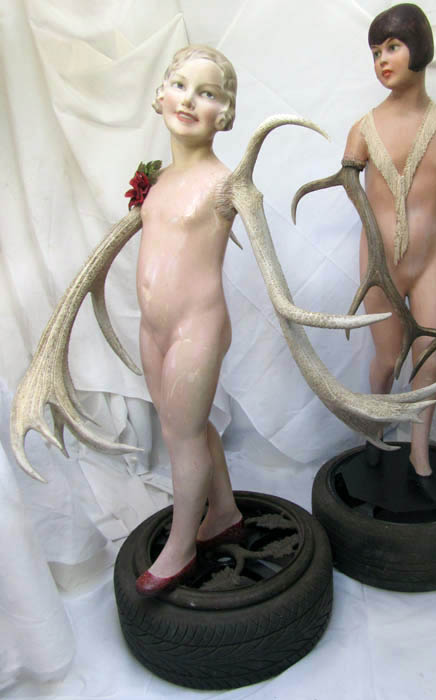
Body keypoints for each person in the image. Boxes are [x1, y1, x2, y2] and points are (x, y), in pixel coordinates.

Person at [342, 4, 436, 503]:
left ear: (420, 47)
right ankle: (375, 429)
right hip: (381, 263)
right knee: (387, 358)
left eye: (393, 47)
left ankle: (419, 452)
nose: (383, 61)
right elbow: (350, 185)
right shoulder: (363, 129)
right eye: (376, 52)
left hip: (432, 259)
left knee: (430, 357)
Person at [134, 45, 243, 595]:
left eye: (207, 93)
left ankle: (180, 549)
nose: (189, 100)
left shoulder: (224, 183)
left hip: (195, 328)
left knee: (181, 436)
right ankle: (223, 511)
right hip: (152, 328)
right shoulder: (155, 179)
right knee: (184, 427)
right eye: (180, 85)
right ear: (160, 95)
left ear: (225, 113)